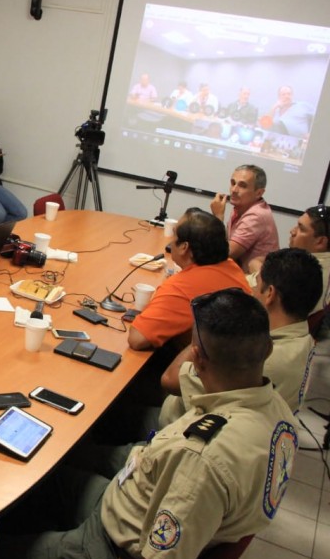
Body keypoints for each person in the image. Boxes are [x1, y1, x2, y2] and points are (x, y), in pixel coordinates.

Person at [0, 289, 298, 559]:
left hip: (111, 552)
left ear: (197, 357)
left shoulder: (202, 458)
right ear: (267, 350)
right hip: (131, 498)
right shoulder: (275, 407)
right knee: (47, 478)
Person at [160, 248, 322, 425]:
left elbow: (171, 380)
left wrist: (206, 323)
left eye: (257, 282)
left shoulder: (254, 357)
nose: (251, 289)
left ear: (270, 294)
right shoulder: (305, 339)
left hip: (180, 430)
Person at [129, 207, 249, 351]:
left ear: (184, 247)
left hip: (205, 368)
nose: (170, 242)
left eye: (174, 235)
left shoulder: (180, 287)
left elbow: (137, 339)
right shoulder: (230, 266)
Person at [250, 204, 329, 316]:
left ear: (320, 242)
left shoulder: (304, 272)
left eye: (301, 228)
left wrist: (259, 268)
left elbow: (255, 270)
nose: (292, 231)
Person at [210, 164, 280, 272]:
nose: (234, 190)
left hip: (255, 283)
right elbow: (225, 243)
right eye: (233, 183)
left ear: (259, 193)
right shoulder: (241, 207)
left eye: (242, 186)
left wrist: (218, 216)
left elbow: (225, 253)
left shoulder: (256, 215)